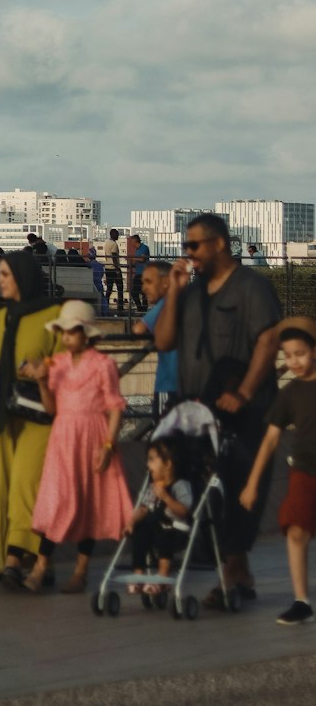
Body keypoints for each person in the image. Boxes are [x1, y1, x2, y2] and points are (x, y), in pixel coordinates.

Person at [153, 211, 282, 606]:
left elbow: (267, 341)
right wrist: (173, 292)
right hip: (199, 411)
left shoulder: (251, 288)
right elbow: (164, 341)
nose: (188, 254)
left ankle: (231, 574)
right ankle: (237, 571)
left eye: (194, 245)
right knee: (210, 492)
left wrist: (243, 392)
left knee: (239, 488)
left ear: (219, 244)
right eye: (185, 247)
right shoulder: (190, 293)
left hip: (243, 411)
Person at [0, 251, 61, 586]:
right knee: (2, 487)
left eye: (5, 275)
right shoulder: (0, 320)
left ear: (22, 278)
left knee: (26, 485)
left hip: (39, 418)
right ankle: (8, 561)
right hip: (4, 415)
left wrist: (42, 371)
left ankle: (29, 560)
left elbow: (66, 362)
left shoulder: (53, 317)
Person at [19, 300, 132, 594]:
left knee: (89, 503)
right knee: (57, 499)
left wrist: (109, 443)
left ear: (86, 333)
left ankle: (81, 570)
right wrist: (43, 383)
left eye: (71, 332)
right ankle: (42, 565)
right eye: (63, 333)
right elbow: (51, 408)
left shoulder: (103, 365)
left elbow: (115, 406)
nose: (66, 338)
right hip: (64, 436)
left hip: (92, 436)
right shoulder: (57, 364)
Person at [240, 316, 316, 626]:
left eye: (300, 353)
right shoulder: (290, 394)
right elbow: (271, 439)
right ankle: (301, 601)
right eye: (288, 355)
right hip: (304, 470)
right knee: (296, 528)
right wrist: (252, 483)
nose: (294, 361)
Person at [126, 438, 194, 595]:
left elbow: (184, 510)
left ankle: (163, 576)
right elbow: (143, 508)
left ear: (168, 464)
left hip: (175, 530)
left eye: (151, 460)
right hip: (154, 529)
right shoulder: (152, 487)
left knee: (164, 530)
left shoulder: (180, 485)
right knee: (140, 530)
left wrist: (166, 497)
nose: (148, 465)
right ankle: (138, 574)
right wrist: (132, 521)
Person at [132, 261, 179, 419]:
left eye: (149, 282)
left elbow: (139, 330)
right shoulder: (185, 300)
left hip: (169, 384)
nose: (144, 288)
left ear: (166, 282)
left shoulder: (167, 304)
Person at [103, 230, 124, 312]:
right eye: (117, 234)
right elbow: (114, 256)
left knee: (109, 288)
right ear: (114, 235)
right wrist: (117, 269)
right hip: (114, 268)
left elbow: (106, 255)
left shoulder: (107, 243)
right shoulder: (114, 244)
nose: (118, 236)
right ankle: (120, 307)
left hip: (107, 268)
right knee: (120, 288)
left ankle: (105, 306)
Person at [129, 234, 150, 313]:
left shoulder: (144, 248)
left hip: (143, 273)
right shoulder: (137, 250)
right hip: (138, 273)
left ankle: (142, 309)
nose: (131, 244)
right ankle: (141, 309)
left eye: (132, 242)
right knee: (136, 292)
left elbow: (142, 259)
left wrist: (131, 258)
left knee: (141, 292)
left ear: (135, 241)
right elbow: (138, 261)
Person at [86, 246, 107, 316]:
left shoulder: (87, 265)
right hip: (99, 285)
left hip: (90, 286)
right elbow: (101, 275)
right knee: (102, 299)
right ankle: (104, 313)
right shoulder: (100, 265)